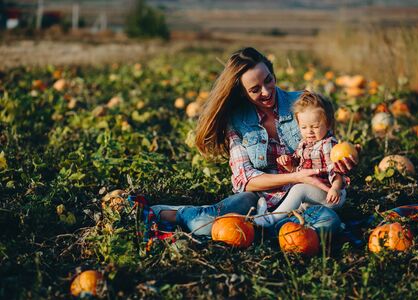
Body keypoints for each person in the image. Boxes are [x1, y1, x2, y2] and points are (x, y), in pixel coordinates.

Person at [136, 47, 357, 237]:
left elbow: (329, 145)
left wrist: (346, 160)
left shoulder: (303, 103)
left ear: (272, 72)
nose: (266, 91)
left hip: (305, 199)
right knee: (203, 225)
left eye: (268, 79)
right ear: (241, 93)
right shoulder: (237, 121)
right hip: (259, 198)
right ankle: (178, 213)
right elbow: (244, 180)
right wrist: (295, 176)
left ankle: (261, 229)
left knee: (328, 223)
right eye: (254, 89)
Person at [253, 90, 347, 228]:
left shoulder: (327, 144)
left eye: (315, 126)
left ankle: (270, 219)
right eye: (304, 127)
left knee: (299, 190)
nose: (309, 131)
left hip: (331, 194)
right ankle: (272, 224)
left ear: (328, 124)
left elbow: (336, 171)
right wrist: (289, 163)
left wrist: (335, 188)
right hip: (313, 194)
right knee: (296, 205)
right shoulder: (304, 143)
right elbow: (300, 170)